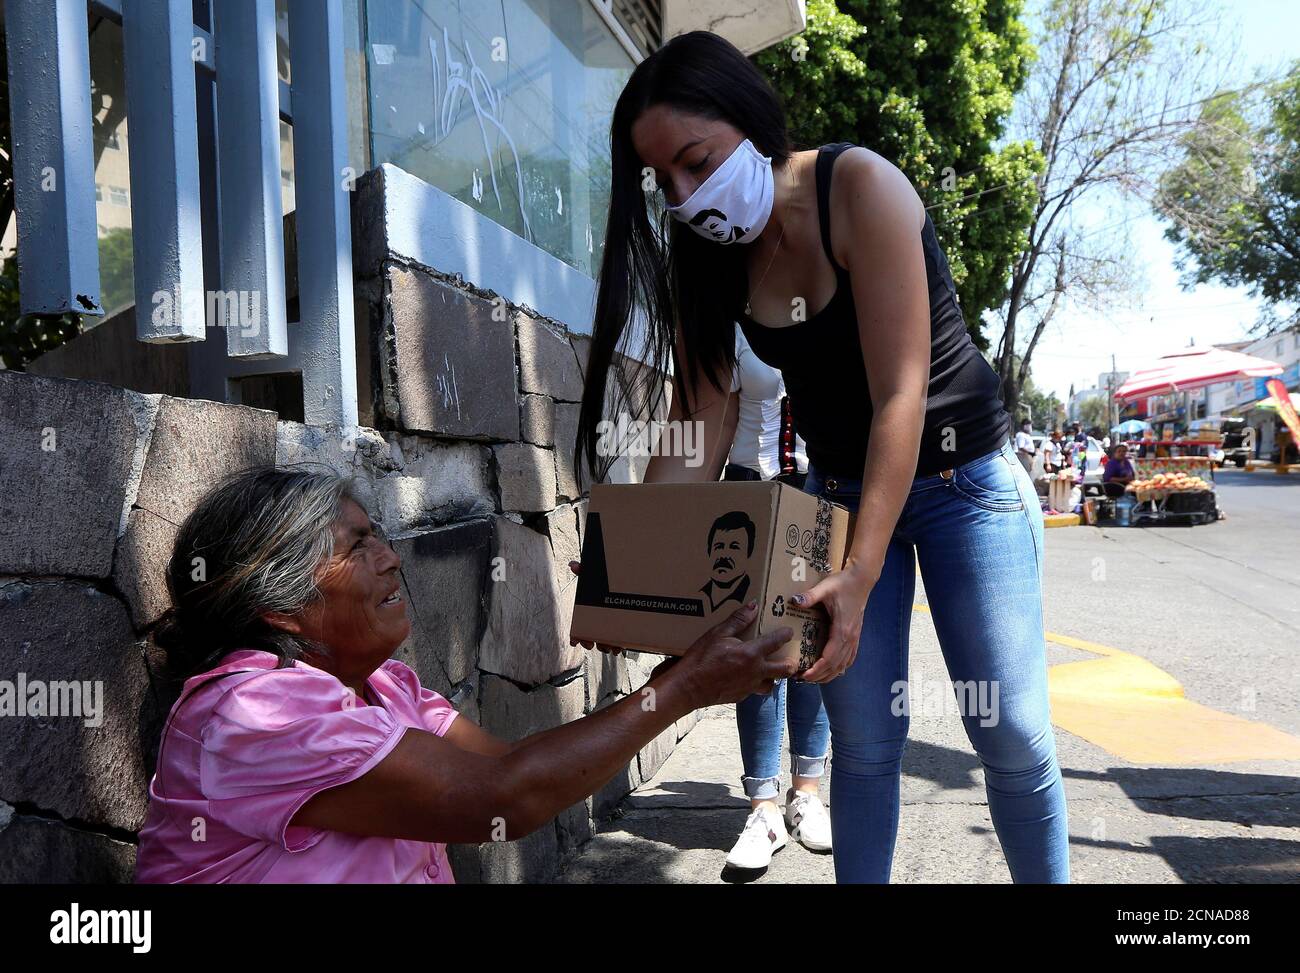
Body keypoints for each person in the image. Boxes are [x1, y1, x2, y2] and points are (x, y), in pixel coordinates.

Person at [572, 31, 1068, 883]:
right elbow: (699, 416)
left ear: (749, 118)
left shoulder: (859, 187)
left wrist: (862, 572)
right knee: (866, 741)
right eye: (666, 182)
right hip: (835, 496)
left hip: (961, 480)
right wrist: (644, 558)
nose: (688, 197)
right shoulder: (709, 257)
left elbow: (900, 397)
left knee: (1010, 731)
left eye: (697, 160)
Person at [135, 465, 794, 883]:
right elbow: (501, 797)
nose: (392, 558)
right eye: (355, 547)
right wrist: (684, 687)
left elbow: (512, 768)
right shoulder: (253, 712)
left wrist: (680, 654)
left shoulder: (386, 687)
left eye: (378, 536)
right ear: (278, 603)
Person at [719, 325, 830, 869]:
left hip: (823, 487)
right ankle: (762, 806)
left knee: (812, 645)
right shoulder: (735, 322)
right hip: (748, 488)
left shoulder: (840, 305)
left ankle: (807, 792)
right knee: (756, 647)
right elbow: (712, 426)